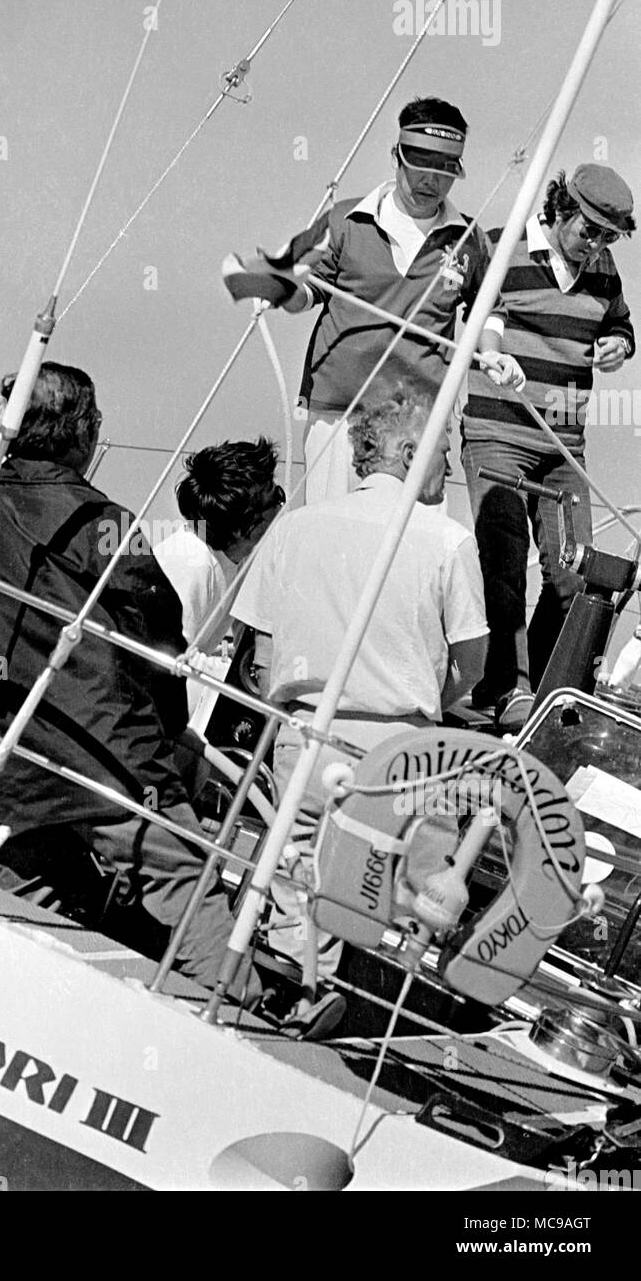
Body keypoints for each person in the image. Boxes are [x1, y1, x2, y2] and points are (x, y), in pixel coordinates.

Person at [0, 361, 260, 999]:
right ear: (77, 434)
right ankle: (242, 1024)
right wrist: (166, 744)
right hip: (115, 775)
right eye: (93, 420)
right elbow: (160, 648)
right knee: (195, 913)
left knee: (18, 922)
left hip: (4, 774)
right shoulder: (110, 529)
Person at [231, 383, 488, 964]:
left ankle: (290, 989)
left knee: (294, 877)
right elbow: (472, 663)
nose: (446, 468)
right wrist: (427, 695)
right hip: (401, 749)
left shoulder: (293, 528)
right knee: (383, 894)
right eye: (442, 452)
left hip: (304, 734)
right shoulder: (448, 541)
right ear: (407, 455)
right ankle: (352, 1008)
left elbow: (260, 658)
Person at [222, 96, 523, 499]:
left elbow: (490, 308)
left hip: (417, 424)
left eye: (444, 171)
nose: (430, 182)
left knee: (413, 552)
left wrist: (494, 354)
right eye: (420, 167)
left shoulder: (469, 240)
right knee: (332, 537)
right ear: (395, 155)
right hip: (339, 416)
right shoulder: (344, 220)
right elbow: (307, 293)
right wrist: (280, 289)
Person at [462, 164, 636, 730]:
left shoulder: (603, 269)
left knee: (577, 570)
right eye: (591, 231)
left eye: (610, 237)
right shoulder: (500, 245)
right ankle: (503, 688)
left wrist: (617, 344)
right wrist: (488, 346)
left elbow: (622, 327)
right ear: (561, 210)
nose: (598, 245)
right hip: (498, 432)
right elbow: (467, 312)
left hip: (564, 443)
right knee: (504, 564)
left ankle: (541, 686)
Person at [153, 436, 284, 655]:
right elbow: (167, 659)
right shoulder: (191, 565)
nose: (282, 508)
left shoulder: (240, 556)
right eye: (276, 500)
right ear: (242, 527)